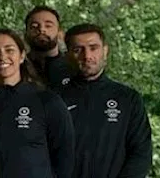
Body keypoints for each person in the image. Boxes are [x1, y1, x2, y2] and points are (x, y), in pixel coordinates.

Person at [0, 28, 74, 178]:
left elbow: (64, 159)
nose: (2, 57)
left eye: (9, 50)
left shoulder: (47, 101)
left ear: (21, 56)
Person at [56, 23, 152, 178]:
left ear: (105, 51)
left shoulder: (128, 99)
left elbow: (141, 153)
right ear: (68, 55)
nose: (87, 56)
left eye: (93, 48)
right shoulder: (54, 99)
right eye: (78, 50)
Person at [24, 7, 69, 89]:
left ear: (60, 33)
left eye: (48, 26)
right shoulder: (17, 67)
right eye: (34, 26)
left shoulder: (72, 65)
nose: (41, 29)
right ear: (26, 33)